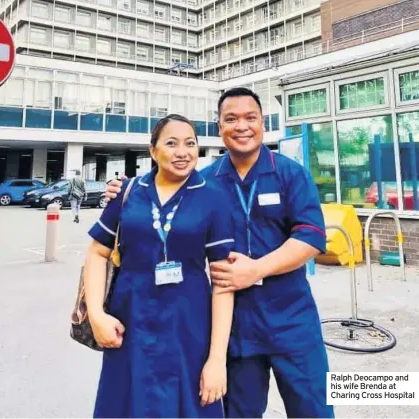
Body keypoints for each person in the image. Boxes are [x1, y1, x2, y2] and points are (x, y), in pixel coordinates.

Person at [105, 88, 334, 418]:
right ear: (219, 126)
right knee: (240, 413)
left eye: (250, 118)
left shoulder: (290, 173)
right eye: (231, 119)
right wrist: (124, 189)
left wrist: (256, 269)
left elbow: (311, 237)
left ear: (262, 123)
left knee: (314, 409)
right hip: (233, 328)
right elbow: (159, 189)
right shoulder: (204, 181)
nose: (242, 126)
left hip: (292, 321)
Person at [84, 114, 236, 418]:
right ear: (153, 151)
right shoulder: (128, 193)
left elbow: (223, 282)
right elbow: (97, 254)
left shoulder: (213, 197)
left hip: (189, 330)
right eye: (172, 143)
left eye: (190, 143)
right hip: (130, 326)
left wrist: (217, 359)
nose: (183, 152)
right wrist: (96, 315)